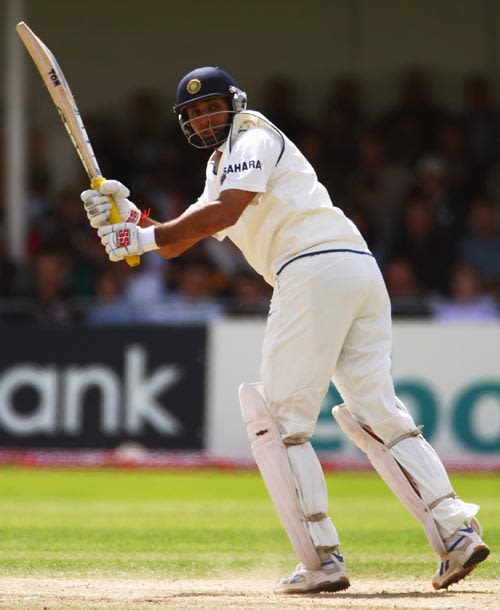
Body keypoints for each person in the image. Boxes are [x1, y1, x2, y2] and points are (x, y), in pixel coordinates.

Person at [80, 66, 489, 594]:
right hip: (357, 269)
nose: (206, 117)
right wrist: (128, 220)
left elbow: (220, 213)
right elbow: (185, 234)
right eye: (196, 113)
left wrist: (141, 240)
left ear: (234, 102)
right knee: (375, 411)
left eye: (212, 107)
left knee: (277, 420)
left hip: (313, 268)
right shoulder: (221, 166)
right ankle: (455, 532)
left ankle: (321, 560)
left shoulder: (253, 133)